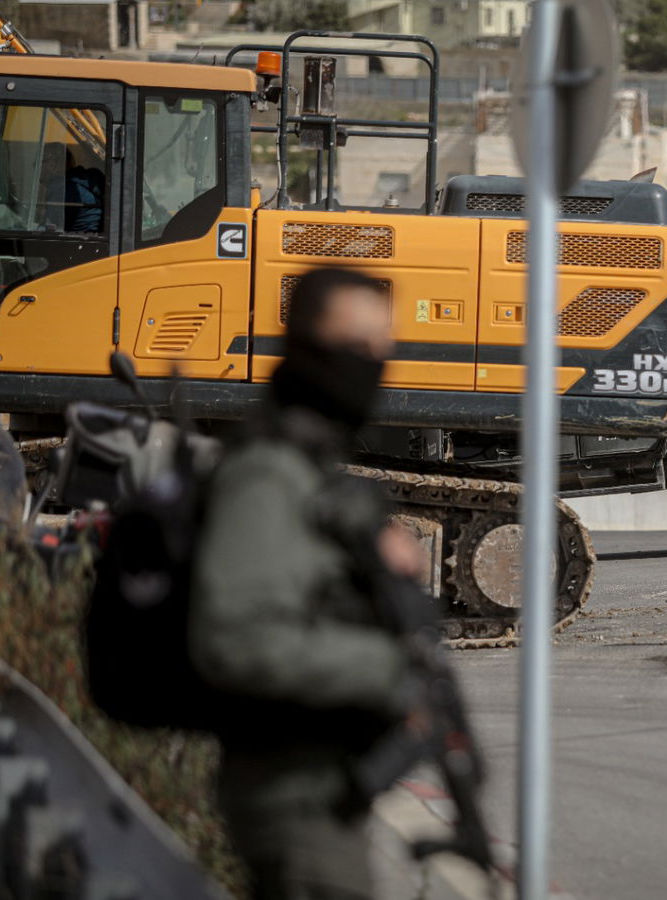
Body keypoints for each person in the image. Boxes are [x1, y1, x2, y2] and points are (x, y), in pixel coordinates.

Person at [189, 268, 425, 900]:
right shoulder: (268, 472)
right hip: (290, 798)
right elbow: (239, 637)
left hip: (321, 789)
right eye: (357, 345)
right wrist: (389, 665)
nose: (373, 364)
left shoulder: (307, 464)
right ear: (305, 344)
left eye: (384, 347)